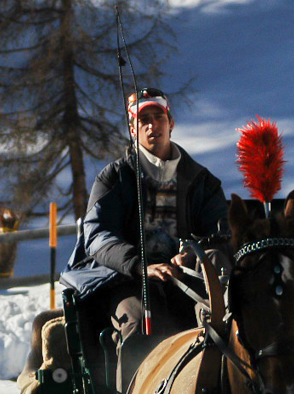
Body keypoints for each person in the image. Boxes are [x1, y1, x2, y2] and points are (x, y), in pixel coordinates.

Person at [62, 86, 229, 342]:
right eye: (143, 120)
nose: (152, 126)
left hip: (188, 278)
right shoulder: (113, 178)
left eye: (158, 117)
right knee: (138, 324)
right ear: (132, 130)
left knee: (223, 314)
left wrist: (190, 254)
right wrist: (141, 266)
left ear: (170, 122)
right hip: (127, 280)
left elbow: (221, 234)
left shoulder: (203, 181)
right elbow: (97, 236)